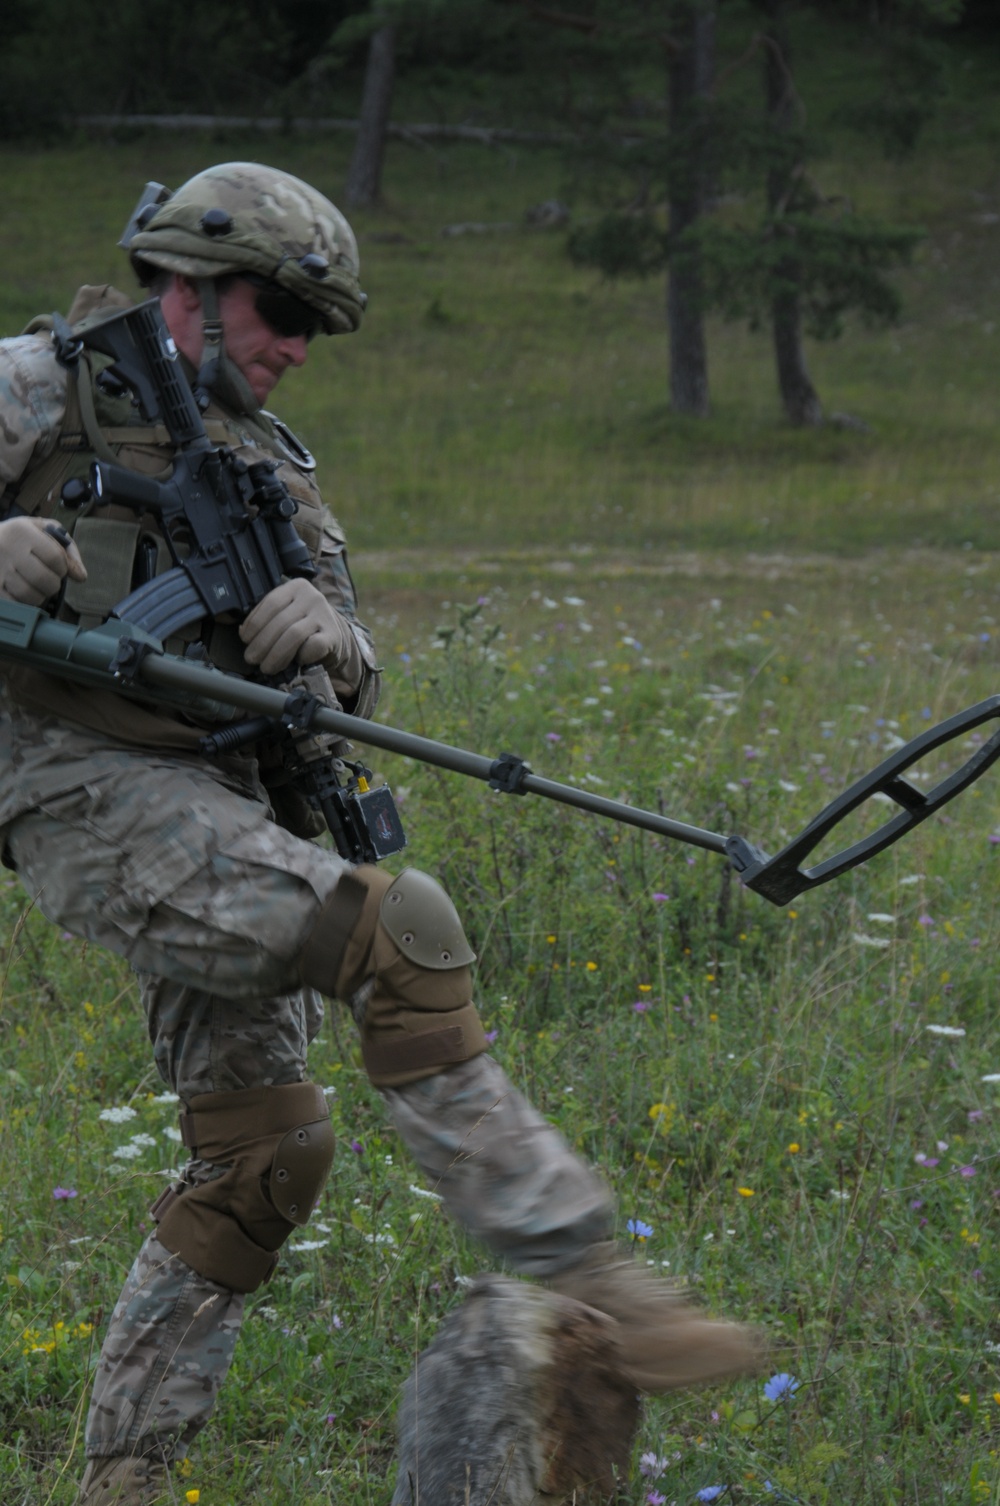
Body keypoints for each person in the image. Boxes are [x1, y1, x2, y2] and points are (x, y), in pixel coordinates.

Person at [0, 163, 757, 1505]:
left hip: (214, 799)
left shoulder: (269, 470)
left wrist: (332, 648)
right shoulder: (32, 388)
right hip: (71, 786)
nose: (295, 344)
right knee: (402, 936)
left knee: (262, 1153)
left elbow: (345, 687)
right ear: (186, 277)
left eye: (315, 324)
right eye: (278, 306)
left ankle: (120, 1476)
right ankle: (590, 1266)